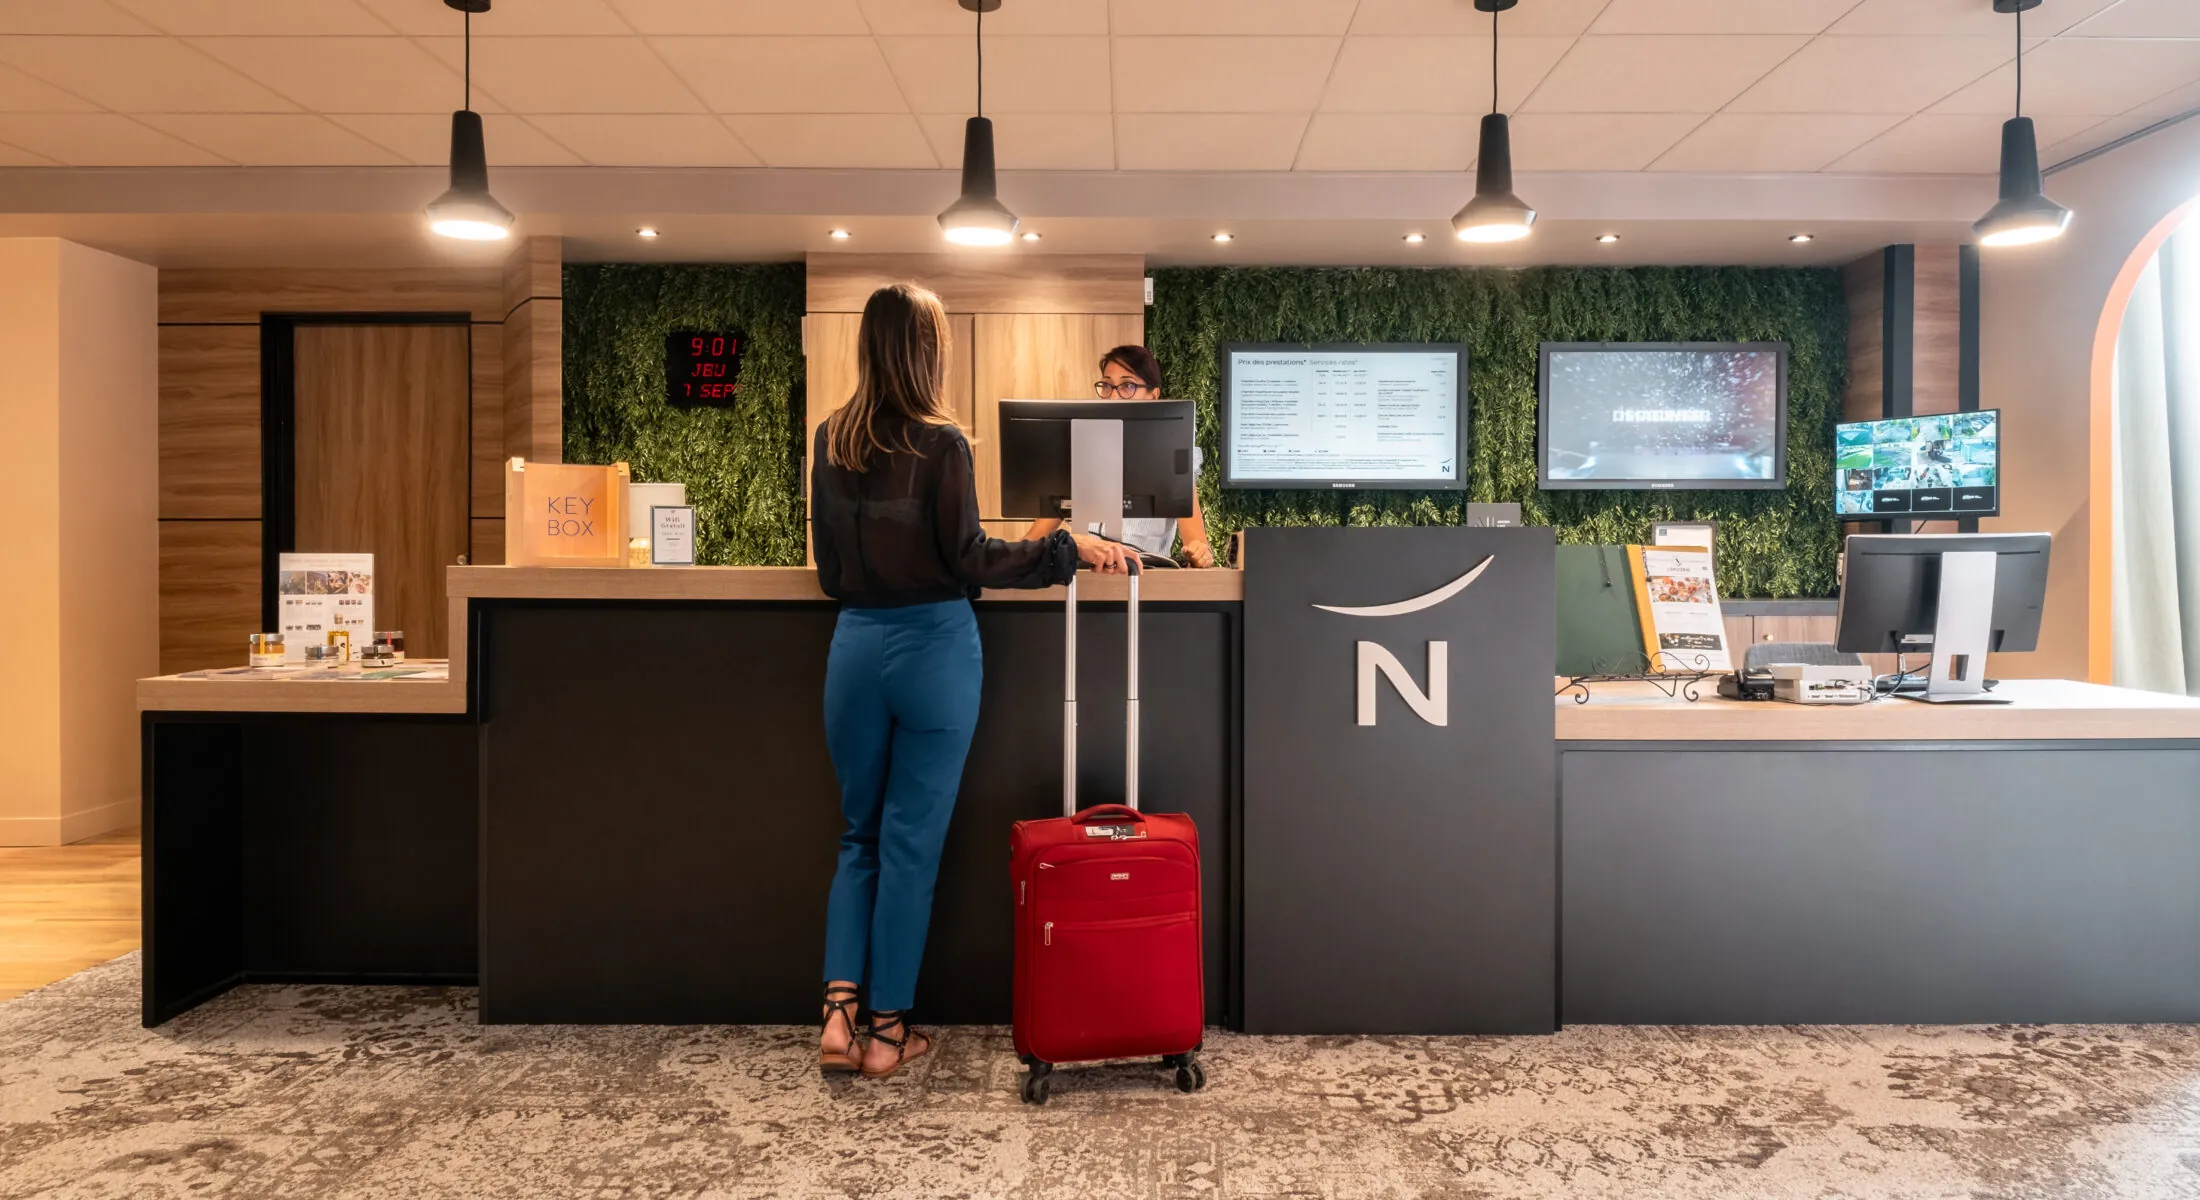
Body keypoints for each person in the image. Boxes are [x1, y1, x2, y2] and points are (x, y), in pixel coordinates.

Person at [810, 283, 1128, 1080]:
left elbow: (828, 573)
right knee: (910, 845)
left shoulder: (830, 439)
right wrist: (1065, 551)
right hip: (934, 650)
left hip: (855, 647)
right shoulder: (942, 442)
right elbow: (970, 559)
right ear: (929, 352)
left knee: (858, 836)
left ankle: (839, 1014)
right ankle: (888, 1032)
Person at [1019, 344, 1219, 568]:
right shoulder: (1081, 452)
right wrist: (1002, 558)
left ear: (1153, 395)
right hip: (1083, 576)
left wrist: (1199, 553)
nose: (1114, 396)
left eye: (1127, 386)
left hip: (1146, 575)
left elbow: (1197, 545)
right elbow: (1034, 539)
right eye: (1106, 386)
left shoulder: (1173, 455)